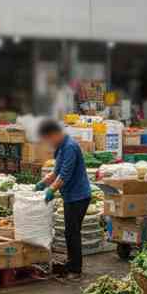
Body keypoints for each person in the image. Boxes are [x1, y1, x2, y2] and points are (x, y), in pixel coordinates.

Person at [34, 119, 92, 282]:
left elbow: (64, 175)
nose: (48, 142)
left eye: (48, 139)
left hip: (79, 197)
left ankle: (76, 269)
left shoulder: (70, 147)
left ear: (55, 134)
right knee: (69, 232)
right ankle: (71, 263)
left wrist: (51, 190)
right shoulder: (60, 148)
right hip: (71, 196)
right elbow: (55, 172)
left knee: (72, 233)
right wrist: (42, 183)